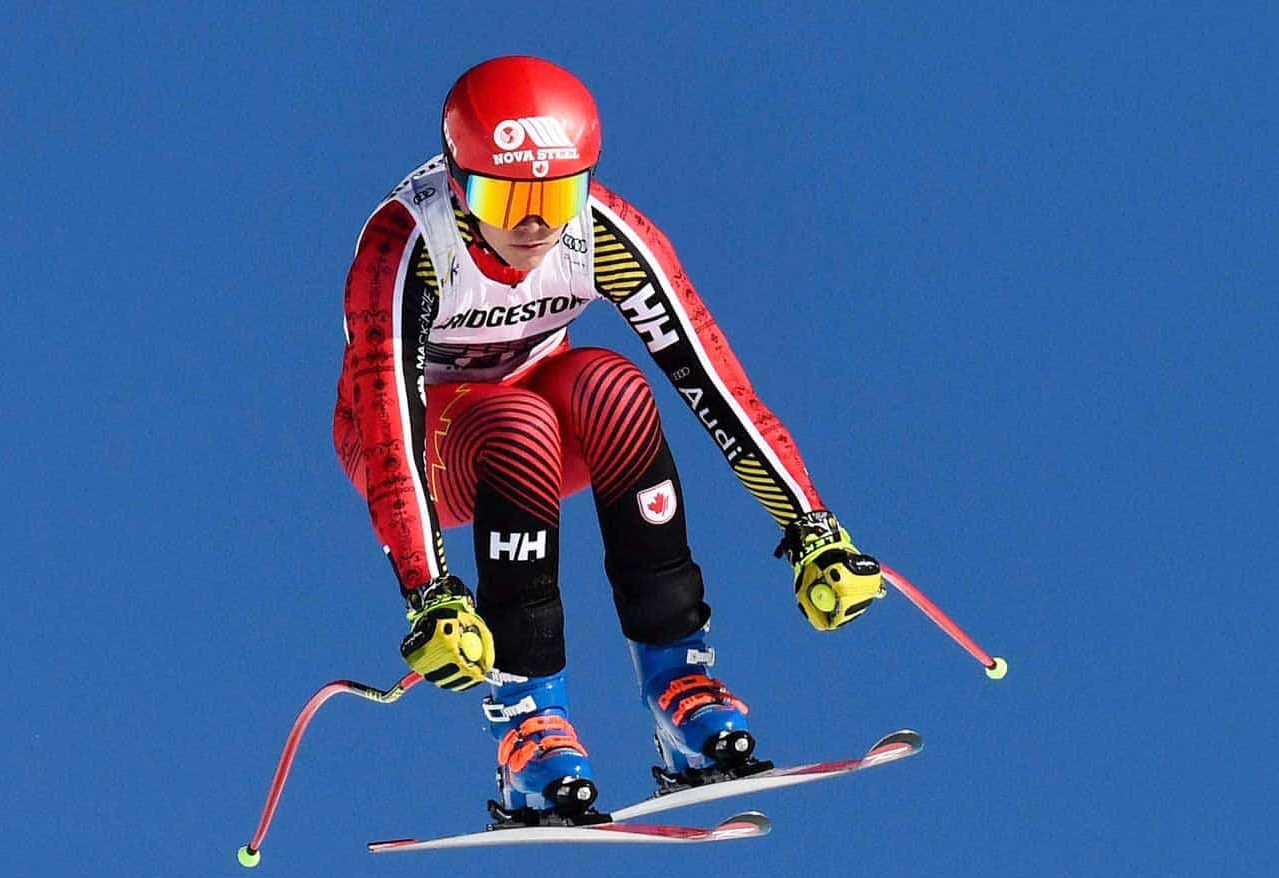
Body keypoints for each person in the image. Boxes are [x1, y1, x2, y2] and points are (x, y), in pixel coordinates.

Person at [333, 55, 884, 825]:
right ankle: (528, 726)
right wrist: (430, 592)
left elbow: (717, 384)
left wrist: (811, 527)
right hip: (428, 449)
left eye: (556, 196)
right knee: (518, 425)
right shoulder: (407, 246)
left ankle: (681, 690)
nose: (534, 224)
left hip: (535, 419)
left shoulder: (602, 232)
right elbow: (389, 424)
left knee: (615, 385)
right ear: (458, 184)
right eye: (506, 197)